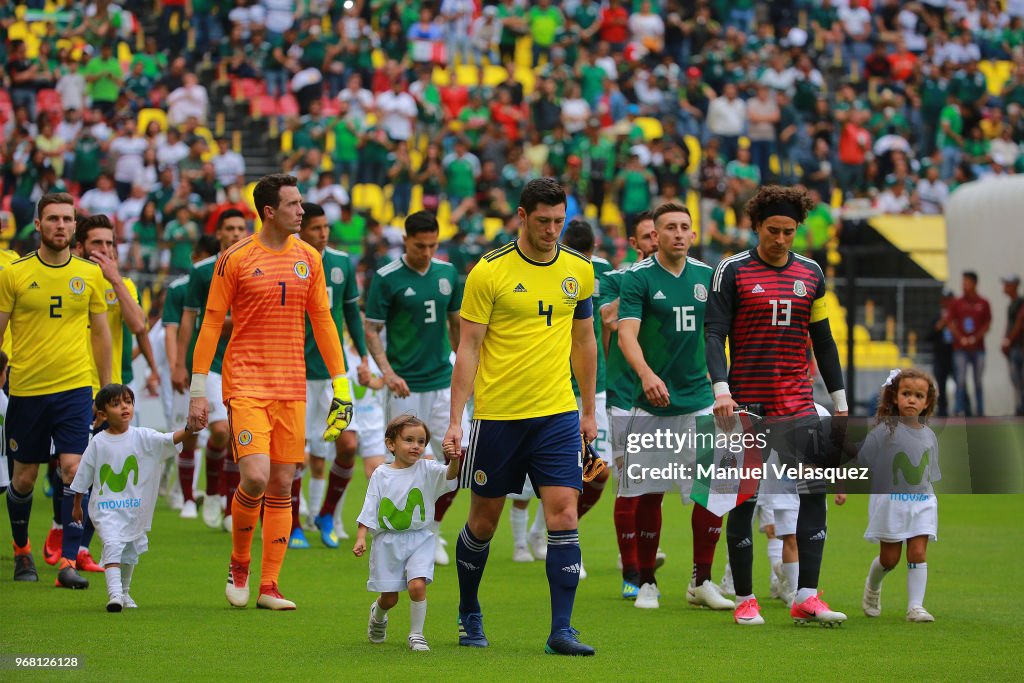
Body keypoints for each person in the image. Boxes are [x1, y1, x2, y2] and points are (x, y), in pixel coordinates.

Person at [442, 177, 598, 656]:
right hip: (498, 416)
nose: (553, 230)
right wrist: (455, 419)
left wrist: (587, 410)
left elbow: (584, 341)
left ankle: (562, 630)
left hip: (556, 414)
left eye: (559, 221)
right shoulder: (488, 272)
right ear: (522, 216)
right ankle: (469, 610)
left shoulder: (579, 270)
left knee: (565, 512)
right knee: (484, 521)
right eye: (544, 221)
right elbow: (468, 348)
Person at [188, 174, 352, 610]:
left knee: (282, 484)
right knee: (256, 476)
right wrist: (198, 390)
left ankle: (269, 586)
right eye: (295, 205)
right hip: (245, 382)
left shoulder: (309, 259)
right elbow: (209, 324)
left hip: (292, 387)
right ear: (270, 212)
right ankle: (239, 564)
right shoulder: (235, 258)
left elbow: (324, 322)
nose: (303, 211)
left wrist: (342, 384)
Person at [705, 185, 848, 626]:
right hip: (745, 405)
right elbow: (713, 335)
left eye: (789, 231)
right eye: (773, 230)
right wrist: (721, 390)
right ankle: (745, 599)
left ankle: (807, 595)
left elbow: (822, 340)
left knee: (814, 493)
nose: (781, 239)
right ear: (756, 226)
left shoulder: (811, 273)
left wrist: (840, 404)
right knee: (743, 499)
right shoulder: (731, 270)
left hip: (799, 402)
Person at [617, 201, 733, 612]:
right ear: (656, 234)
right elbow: (626, 335)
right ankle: (647, 581)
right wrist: (647, 375)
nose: (679, 233)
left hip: (701, 403)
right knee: (650, 493)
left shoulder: (709, 277)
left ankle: (701, 580)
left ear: (694, 234)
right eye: (670, 227)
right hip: (651, 408)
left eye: (685, 227)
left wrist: (722, 384)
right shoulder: (639, 279)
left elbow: (718, 334)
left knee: (711, 492)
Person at [1, 193, 112, 587]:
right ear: (38, 224)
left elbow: (100, 333)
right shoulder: (14, 273)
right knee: (25, 480)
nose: (61, 225)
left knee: (73, 470)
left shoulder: (90, 274)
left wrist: (109, 387)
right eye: (53, 219)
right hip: (27, 389)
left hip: (74, 388)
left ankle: (67, 561)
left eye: (67, 219)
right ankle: (22, 552)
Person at [365, 211, 463, 565]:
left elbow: (456, 329)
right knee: (406, 465)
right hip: (404, 388)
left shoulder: (448, 274)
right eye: (420, 245)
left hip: (441, 382)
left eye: (433, 245)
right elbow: (371, 328)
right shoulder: (386, 278)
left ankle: (432, 531)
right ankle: (394, 533)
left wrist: (464, 370)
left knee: (456, 458)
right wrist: (388, 373)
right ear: (405, 240)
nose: (426, 252)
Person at [71, 214, 151, 573]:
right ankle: (60, 536)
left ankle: (75, 549)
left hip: (107, 390)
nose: (104, 251)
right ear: (79, 248)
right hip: (67, 384)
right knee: (57, 471)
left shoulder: (123, 284)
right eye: (97, 244)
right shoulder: (66, 280)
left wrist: (115, 279)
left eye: (110, 244)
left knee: (99, 475)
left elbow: (138, 325)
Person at [70, 384, 193, 611]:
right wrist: (77, 504)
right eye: (116, 404)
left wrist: (190, 427)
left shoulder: (143, 436)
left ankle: (125, 592)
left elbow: (170, 439)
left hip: (134, 510)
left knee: (129, 551)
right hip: (106, 509)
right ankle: (115, 595)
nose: (124, 407)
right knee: (113, 545)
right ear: (102, 414)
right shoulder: (98, 442)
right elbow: (83, 474)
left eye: (128, 401)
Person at [354, 415, 461, 652]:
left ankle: (416, 634)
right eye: (409, 440)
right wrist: (361, 537)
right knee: (390, 598)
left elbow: (450, 476)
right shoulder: (381, 475)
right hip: (387, 542)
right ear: (391, 444)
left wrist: (454, 459)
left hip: (421, 538)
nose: (416, 446)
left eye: (421, 441)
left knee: (417, 586)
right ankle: (378, 615)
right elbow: (370, 506)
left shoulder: (427, 469)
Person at [296, 202, 369, 549]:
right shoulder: (289, 261)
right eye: (316, 228)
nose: (324, 233)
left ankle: (326, 513)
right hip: (296, 373)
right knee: (295, 453)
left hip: (334, 372)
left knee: (348, 445)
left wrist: (364, 357)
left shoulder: (340, 263)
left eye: (326, 227)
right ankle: (293, 522)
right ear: (301, 231)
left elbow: (351, 312)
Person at [599, 212, 664, 599]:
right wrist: (643, 282)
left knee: (655, 488)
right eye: (648, 237)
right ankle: (631, 572)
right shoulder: (616, 279)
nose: (656, 241)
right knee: (630, 484)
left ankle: (648, 568)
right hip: (626, 396)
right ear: (635, 244)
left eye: (660, 234)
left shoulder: (686, 278)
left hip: (669, 397)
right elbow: (608, 318)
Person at [173, 210, 249, 529]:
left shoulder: (253, 265)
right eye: (229, 228)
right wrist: (180, 362)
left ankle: (229, 505)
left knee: (238, 437)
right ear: (218, 233)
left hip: (245, 360)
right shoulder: (203, 271)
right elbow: (189, 317)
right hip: (212, 362)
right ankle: (210, 494)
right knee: (220, 431)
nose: (234, 233)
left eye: (240, 228)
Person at [856, 368, 940, 623]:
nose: (912, 400)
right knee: (889, 559)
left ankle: (915, 606)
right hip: (891, 503)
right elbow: (862, 459)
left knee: (918, 552)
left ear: (927, 402)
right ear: (895, 397)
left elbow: (929, 474)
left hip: (923, 503)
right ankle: (872, 586)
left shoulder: (929, 435)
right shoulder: (886, 431)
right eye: (906, 394)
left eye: (918, 395)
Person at [161, 235, 219, 516]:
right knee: (186, 430)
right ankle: (179, 491)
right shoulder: (178, 289)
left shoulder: (230, 277)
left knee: (217, 433)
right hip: (188, 365)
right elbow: (172, 329)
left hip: (219, 366)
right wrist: (176, 365)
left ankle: (200, 493)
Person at [949, 271, 991, 417]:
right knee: (960, 380)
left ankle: (980, 411)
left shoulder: (983, 303)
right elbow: (951, 323)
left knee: (978, 381)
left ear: (974, 283)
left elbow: (987, 324)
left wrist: (975, 338)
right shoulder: (957, 303)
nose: (964, 285)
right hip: (961, 348)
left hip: (978, 348)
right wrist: (961, 338)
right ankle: (958, 410)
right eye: (963, 282)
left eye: (967, 282)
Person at [999, 275, 1024, 416]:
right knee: (1016, 380)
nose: (1005, 288)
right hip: (1014, 348)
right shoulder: (1011, 305)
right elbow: (1010, 325)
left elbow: (1018, 325)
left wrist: (1008, 341)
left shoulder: (1021, 303)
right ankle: (1020, 407)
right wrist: (1005, 341)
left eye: (1007, 284)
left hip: (1020, 347)